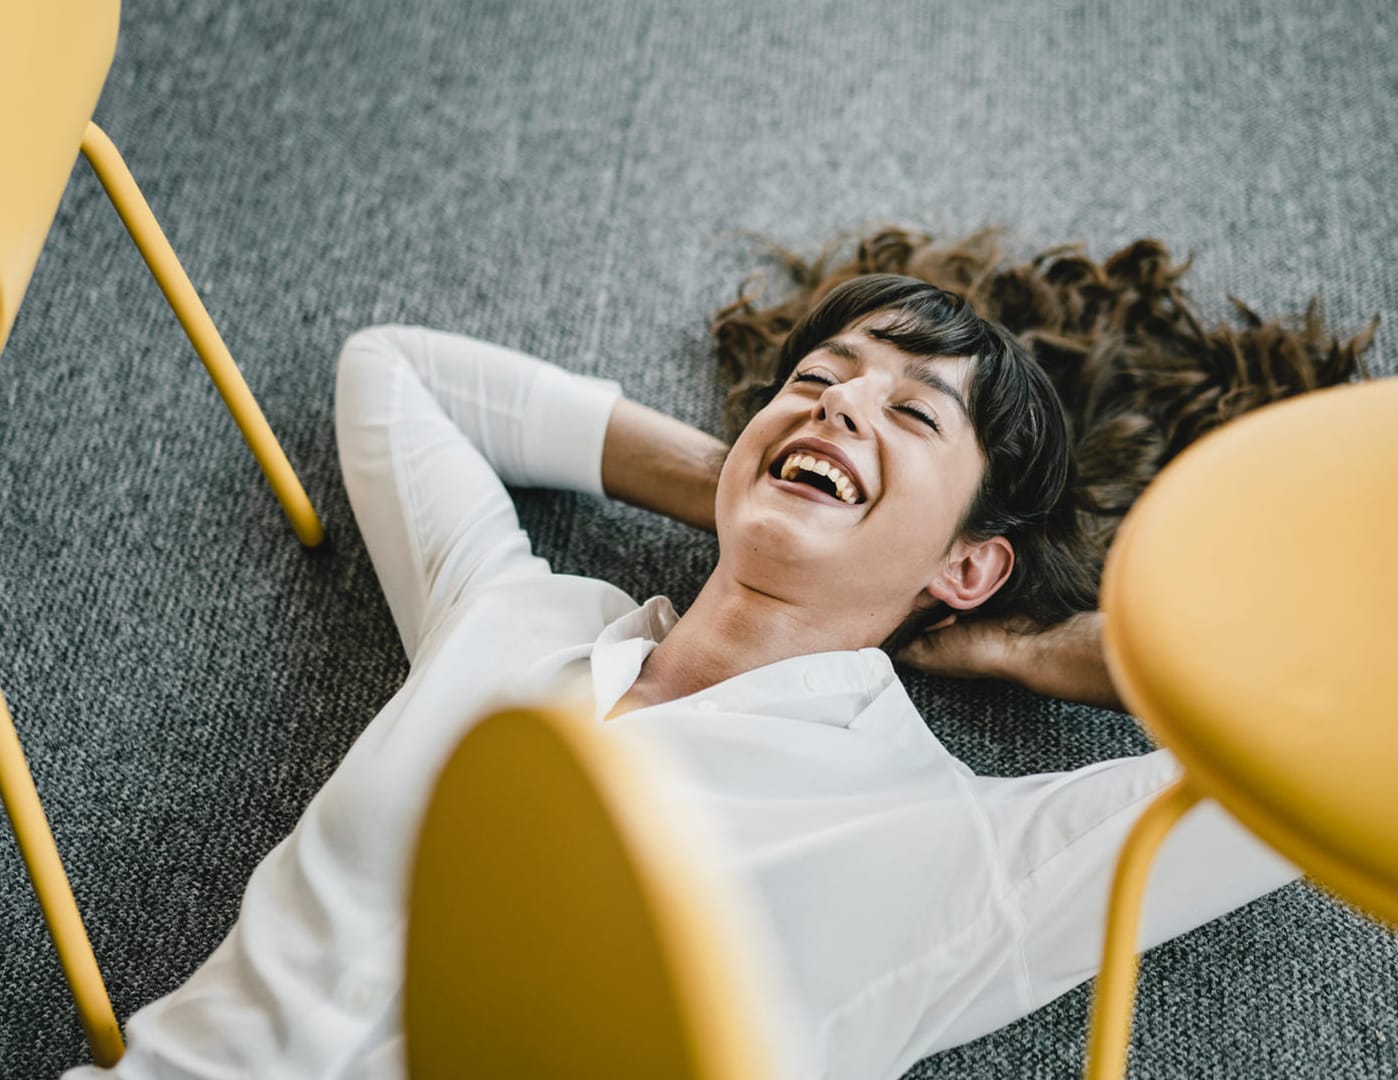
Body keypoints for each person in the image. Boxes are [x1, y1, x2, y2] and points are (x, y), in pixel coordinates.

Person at [66, 267, 1313, 1080]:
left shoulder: (954, 852)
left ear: (973, 567)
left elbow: (1321, 764)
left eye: (914, 416)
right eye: (819, 382)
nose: (840, 407)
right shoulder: (515, 616)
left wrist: (1044, 650)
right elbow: (396, 372)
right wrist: (757, 475)